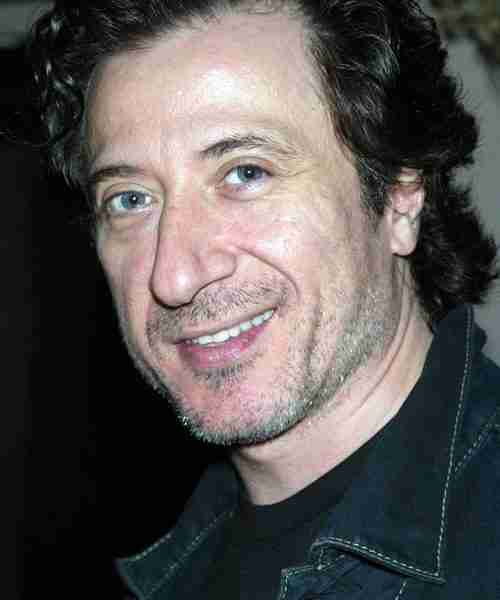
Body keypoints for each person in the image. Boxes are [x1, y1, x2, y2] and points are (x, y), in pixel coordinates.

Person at [27, 1, 499, 598]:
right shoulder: (169, 568)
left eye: (245, 173)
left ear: (399, 197)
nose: (174, 276)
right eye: (131, 200)